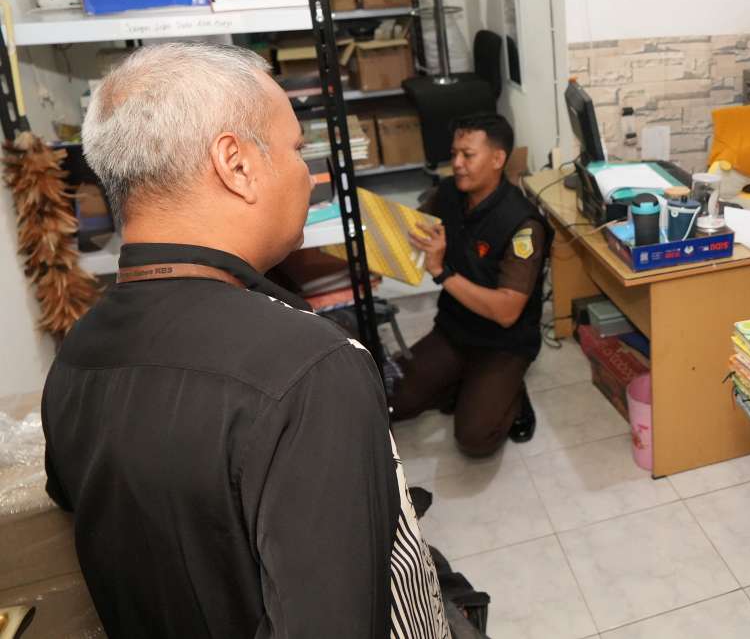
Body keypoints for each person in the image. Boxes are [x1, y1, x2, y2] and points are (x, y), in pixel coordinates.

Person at [44, 43, 451, 638]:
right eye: (295, 149)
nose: (309, 176)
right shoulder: (312, 371)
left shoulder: (77, 355)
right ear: (235, 164)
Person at [389, 113, 547, 457]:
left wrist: (442, 272)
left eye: (468, 155)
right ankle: (464, 383)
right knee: (393, 401)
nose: (457, 164)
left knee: (475, 438)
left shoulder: (522, 223)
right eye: (454, 154)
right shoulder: (447, 194)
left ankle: (512, 393)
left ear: (497, 159)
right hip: (454, 330)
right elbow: (413, 232)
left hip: (503, 343)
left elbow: (507, 311)